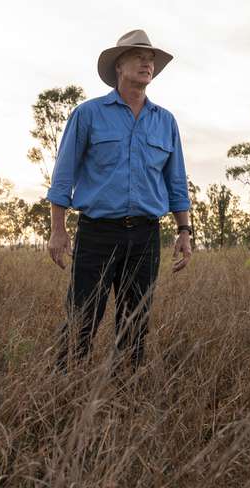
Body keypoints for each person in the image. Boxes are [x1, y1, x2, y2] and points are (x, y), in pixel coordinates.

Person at [46, 29, 192, 372]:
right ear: (118, 65)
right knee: (82, 316)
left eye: (151, 58)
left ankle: (126, 395)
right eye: (139, 56)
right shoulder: (88, 114)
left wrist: (184, 232)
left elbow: (176, 182)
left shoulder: (165, 121)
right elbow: (63, 175)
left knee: (135, 323)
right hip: (98, 233)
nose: (147, 62)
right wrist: (58, 229)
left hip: (145, 236)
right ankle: (64, 388)